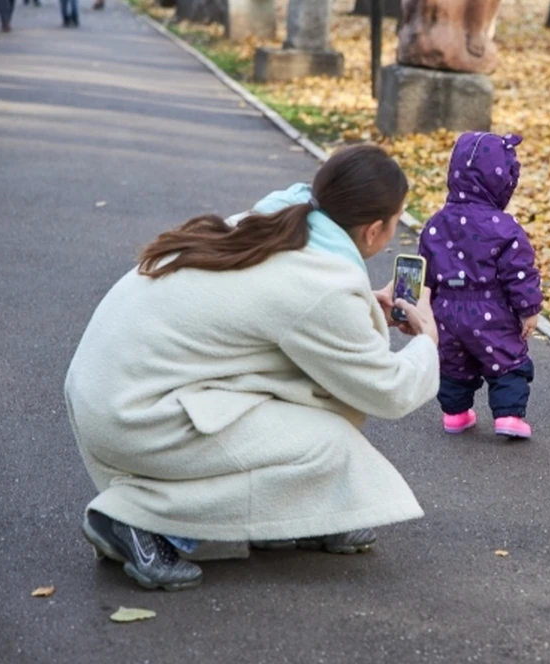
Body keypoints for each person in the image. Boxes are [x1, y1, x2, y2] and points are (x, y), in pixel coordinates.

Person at [64, 145, 441, 591]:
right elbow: (388, 391)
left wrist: (359, 312)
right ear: (375, 230)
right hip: (133, 416)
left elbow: (288, 318)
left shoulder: (274, 222)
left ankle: (288, 519)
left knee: (311, 396)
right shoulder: (321, 286)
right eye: (397, 222)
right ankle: (132, 517)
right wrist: (428, 340)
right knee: (329, 443)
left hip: (104, 389)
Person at [418, 132, 542, 440]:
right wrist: (528, 310)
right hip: (491, 310)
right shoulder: (504, 228)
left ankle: (456, 414)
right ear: (501, 181)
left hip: (446, 310)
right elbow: (519, 272)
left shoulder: (436, 223)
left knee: (453, 365)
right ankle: (509, 417)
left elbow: (424, 270)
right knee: (507, 362)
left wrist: (419, 307)